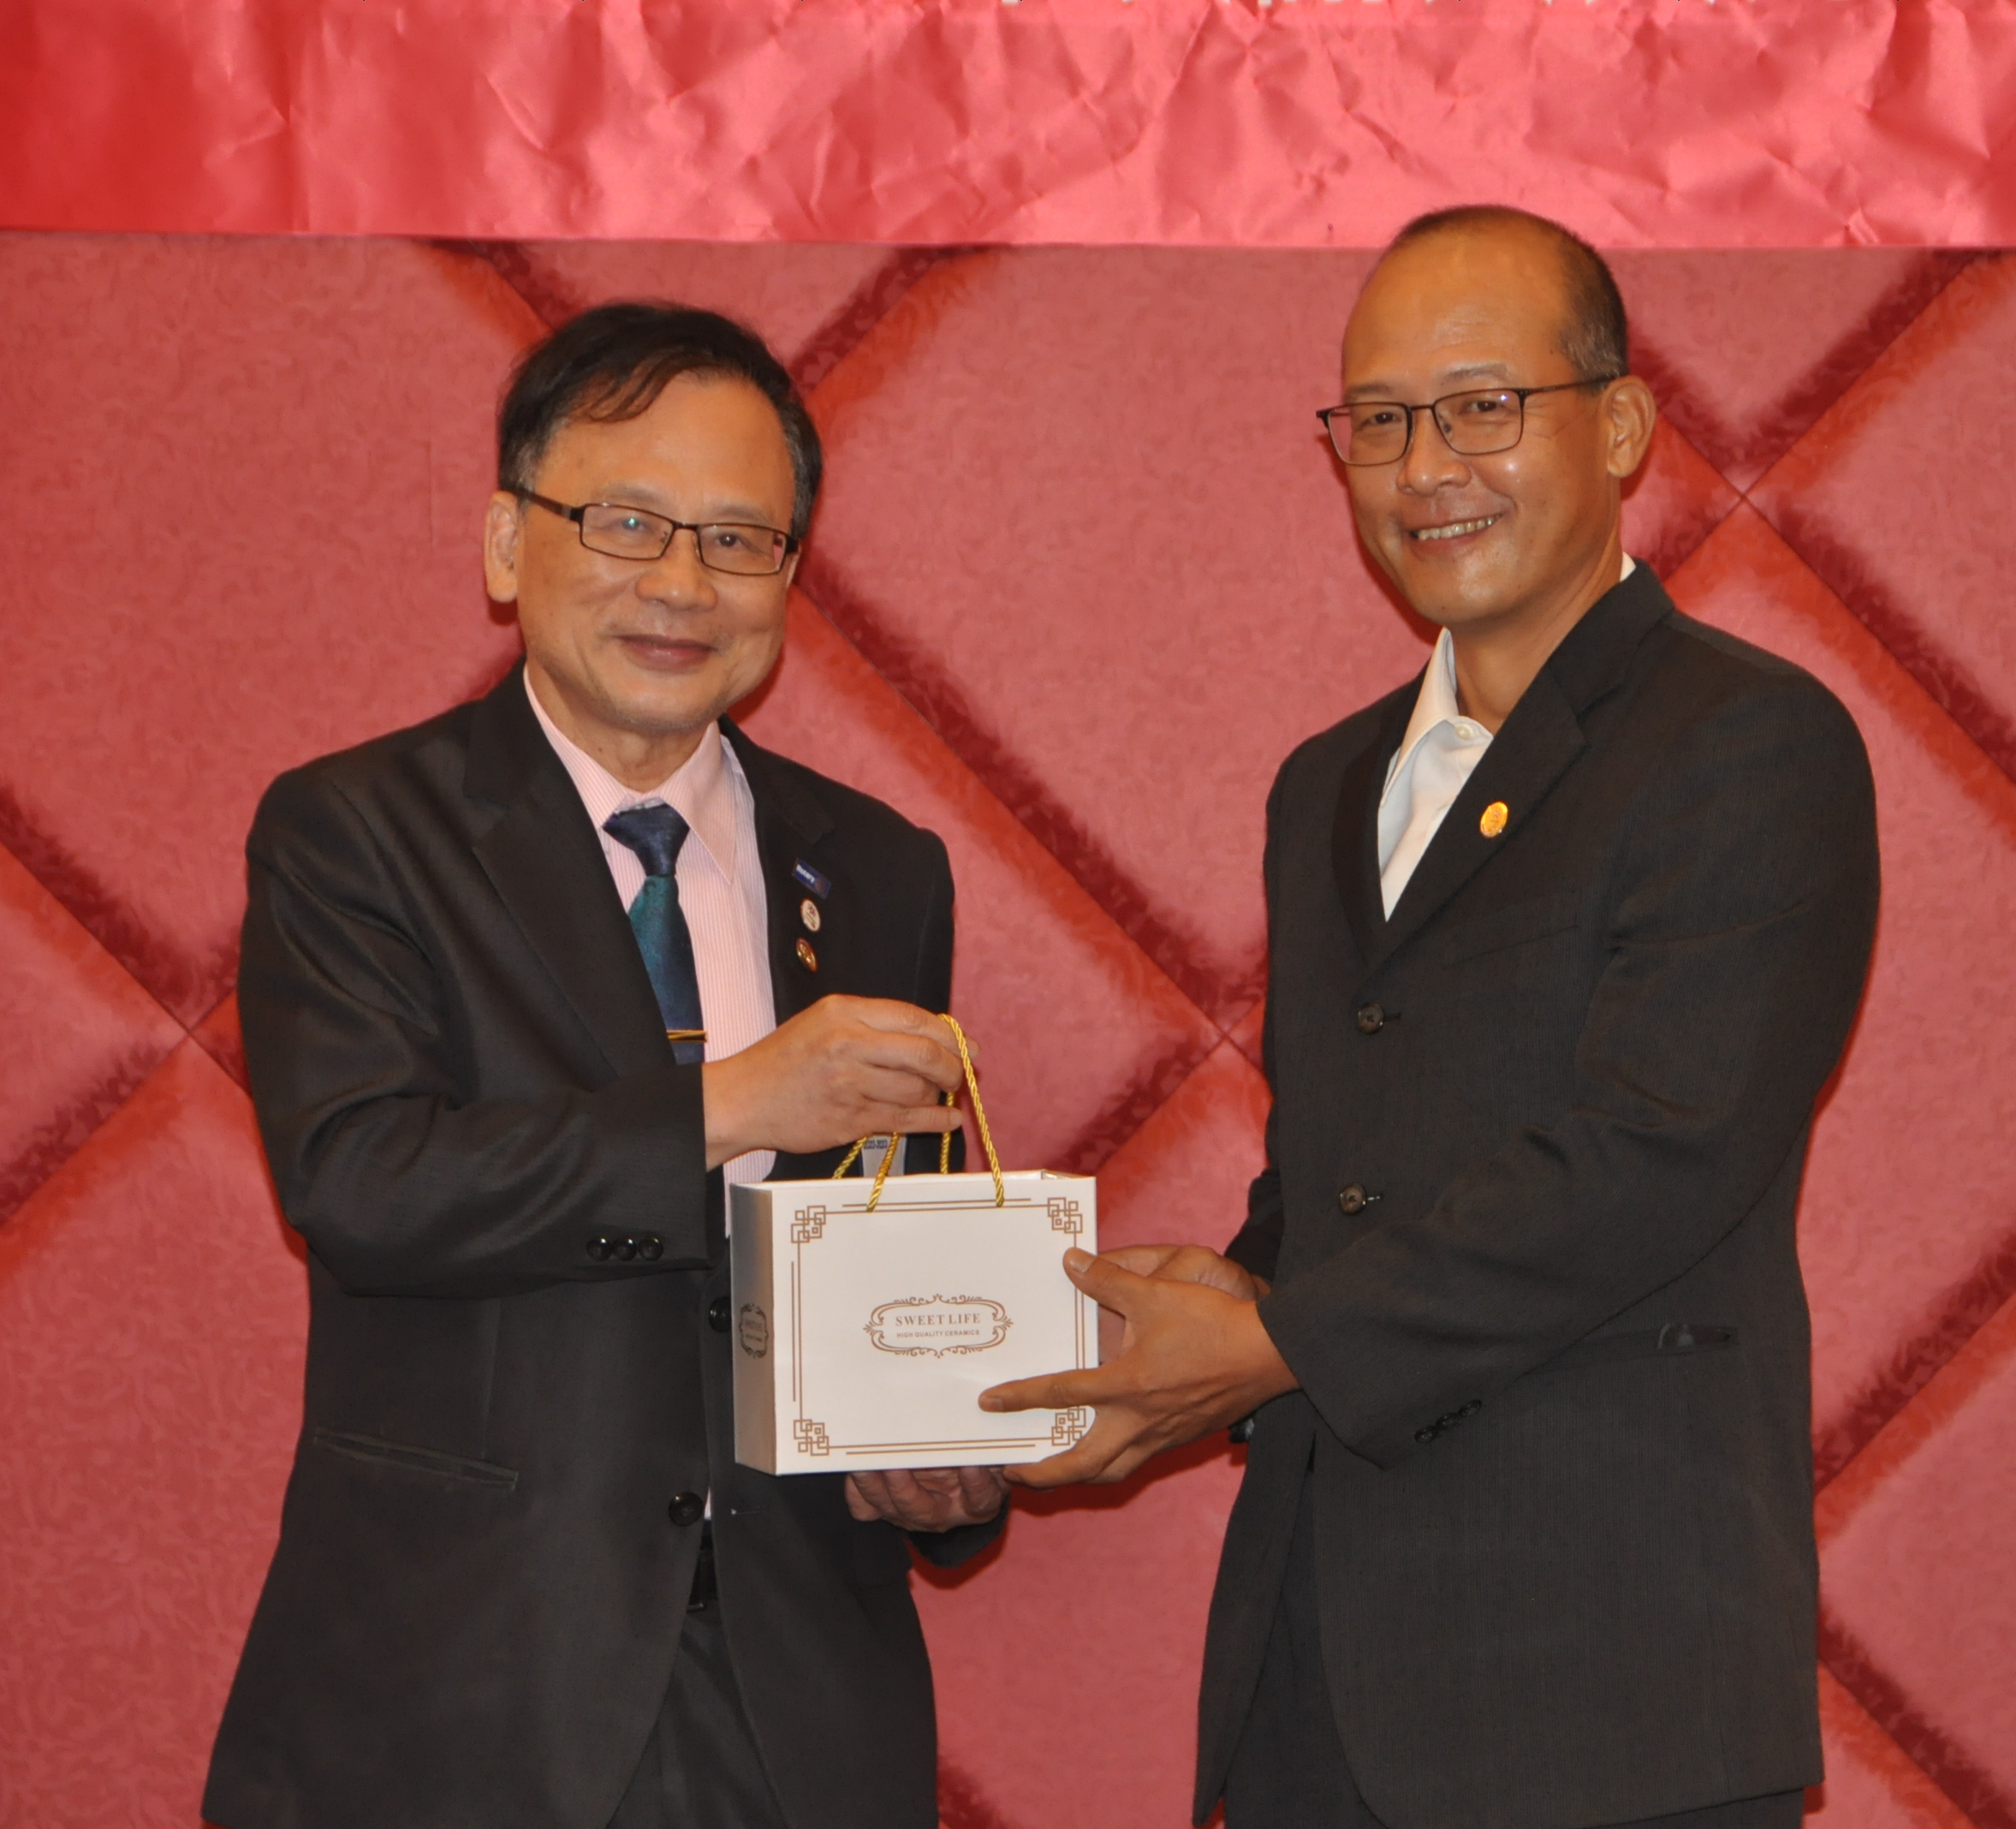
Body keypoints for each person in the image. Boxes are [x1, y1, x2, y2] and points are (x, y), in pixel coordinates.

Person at [983, 207, 1881, 1827]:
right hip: (1319, 1672)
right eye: (1381, 422)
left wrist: (1265, 1346)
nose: (1423, 468)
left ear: (1621, 425)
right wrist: (1219, 1305)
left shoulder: (1745, 743)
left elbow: (1653, 1154)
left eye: (1481, 407)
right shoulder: (1328, 785)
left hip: (1603, 1688)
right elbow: (1342, 1172)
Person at [205, 303, 1006, 1829]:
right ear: (510, 543)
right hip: (465, 1691)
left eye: (737, 540)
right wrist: (736, 1106)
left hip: (795, 1704)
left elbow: (887, 1247)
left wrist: (945, 1466)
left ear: (790, 576)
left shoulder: (879, 868)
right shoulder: (357, 832)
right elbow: (364, 1184)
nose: (681, 584)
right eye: (626, 523)